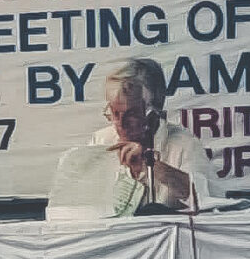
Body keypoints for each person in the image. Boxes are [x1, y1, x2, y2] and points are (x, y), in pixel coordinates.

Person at [89, 58, 217, 210]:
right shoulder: (101, 140)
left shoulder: (184, 145)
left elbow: (205, 200)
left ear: (153, 113)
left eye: (131, 115)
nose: (120, 124)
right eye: (114, 113)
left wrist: (150, 165)